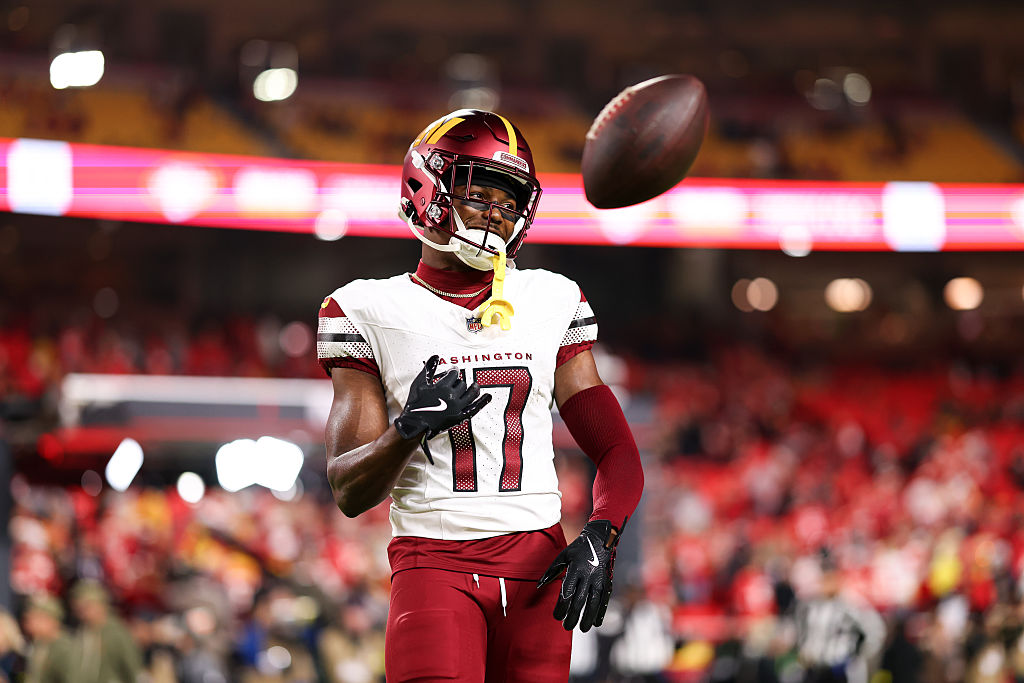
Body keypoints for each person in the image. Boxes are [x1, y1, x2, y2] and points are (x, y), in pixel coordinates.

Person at [318, 108, 644, 681]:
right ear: (429, 188)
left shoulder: (551, 299)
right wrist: (406, 430)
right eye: (479, 196)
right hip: (433, 558)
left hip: (540, 564)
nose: (496, 218)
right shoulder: (366, 309)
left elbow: (617, 449)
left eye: (509, 203)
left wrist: (603, 531)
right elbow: (348, 489)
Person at [69, 579, 143, 683]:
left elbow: (132, 669)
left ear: (101, 605)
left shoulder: (116, 632)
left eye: (87, 607)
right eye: (78, 608)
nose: (82, 612)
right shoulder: (79, 633)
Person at [21, 593, 75, 683]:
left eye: (35, 618)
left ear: (51, 620)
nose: (28, 622)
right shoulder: (38, 643)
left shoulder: (65, 648)